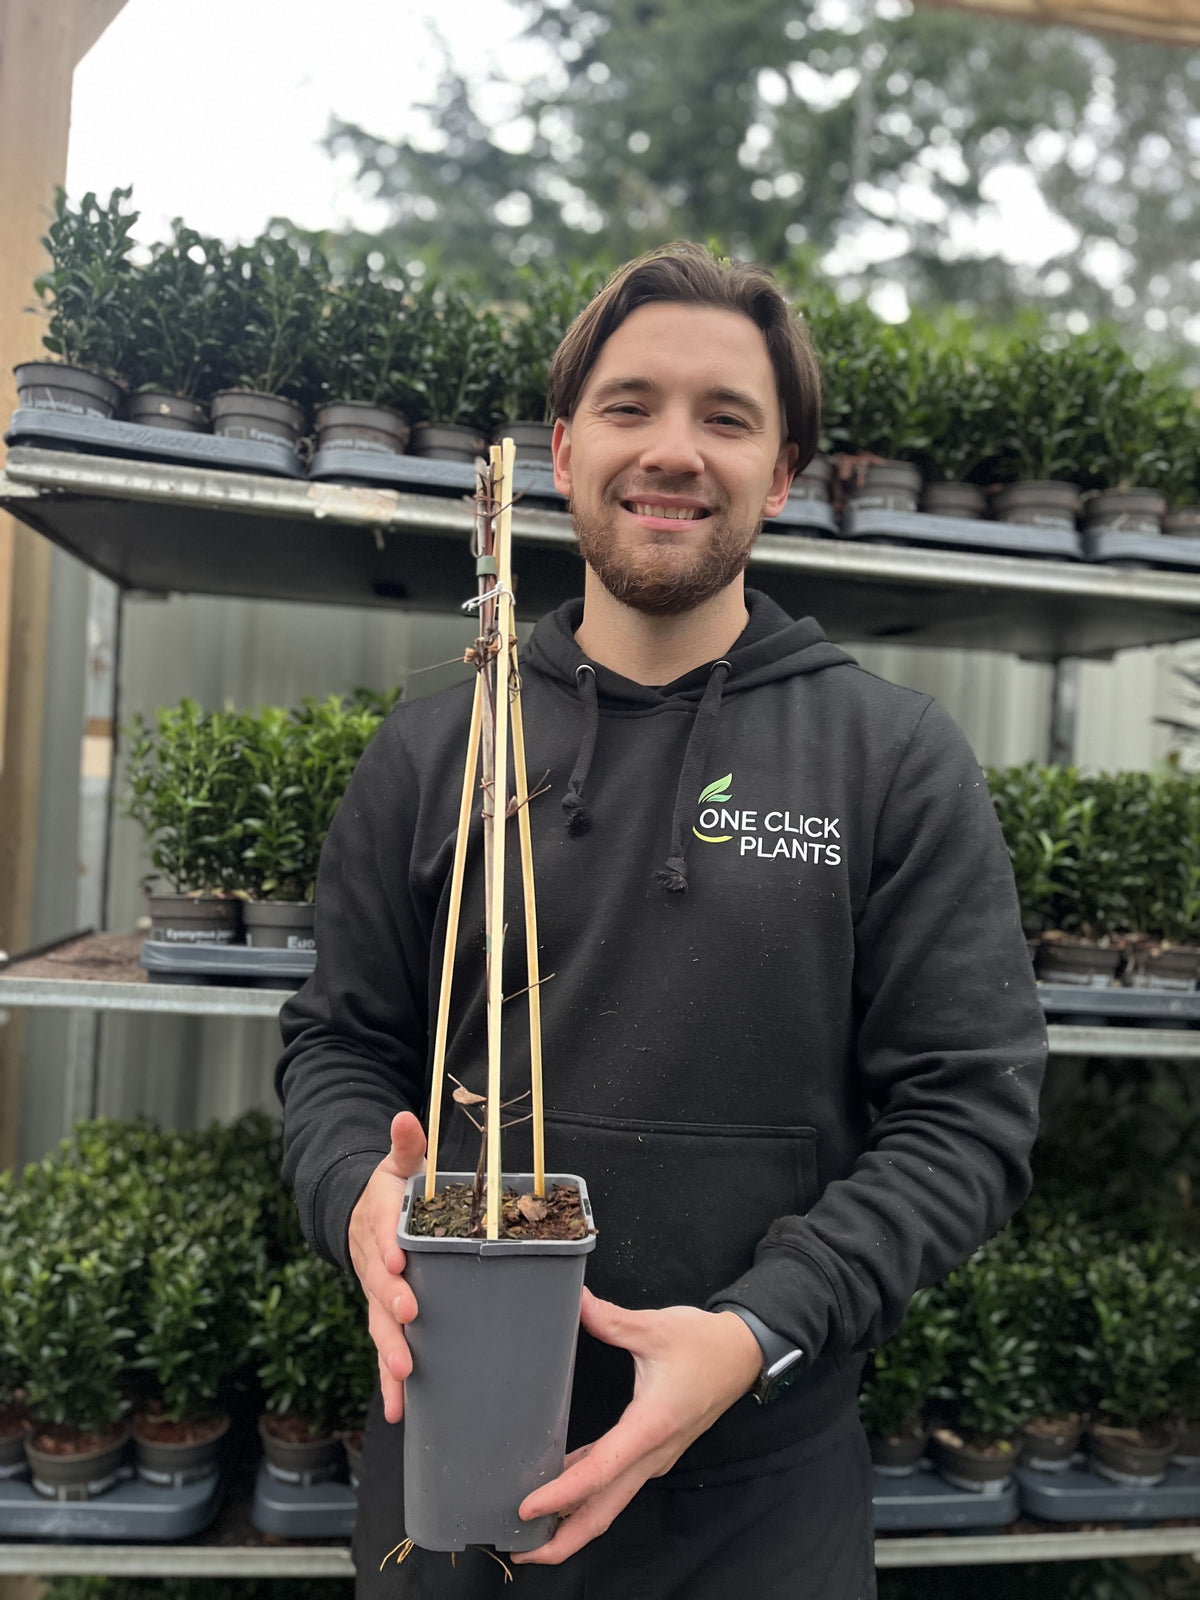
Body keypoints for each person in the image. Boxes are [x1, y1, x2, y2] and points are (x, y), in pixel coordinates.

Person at [275, 241, 1046, 1600]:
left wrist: (758, 1330)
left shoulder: (890, 759)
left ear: (785, 474)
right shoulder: (439, 744)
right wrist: (357, 1196)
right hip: (454, 1470)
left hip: (758, 1493)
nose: (674, 451)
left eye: (727, 416)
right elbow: (338, 1047)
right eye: (631, 407)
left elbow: (969, 1117)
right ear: (565, 449)